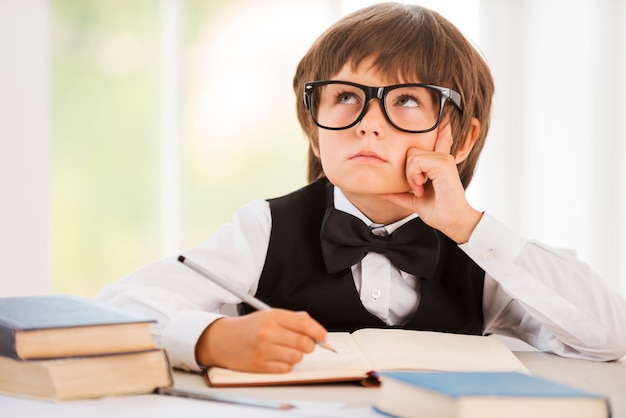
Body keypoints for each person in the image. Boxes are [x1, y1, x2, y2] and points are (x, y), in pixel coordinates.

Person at [95, 2, 626, 373]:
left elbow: (607, 336)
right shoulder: (264, 229)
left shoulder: (484, 254)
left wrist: (468, 227)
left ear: (461, 137)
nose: (368, 122)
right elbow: (116, 309)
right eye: (345, 96)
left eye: (407, 101)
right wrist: (208, 338)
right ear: (313, 126)